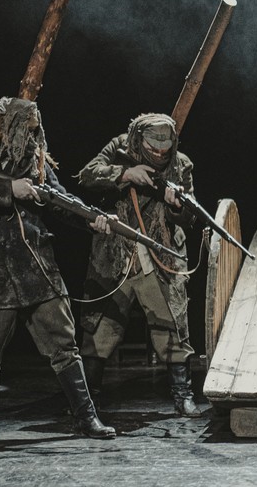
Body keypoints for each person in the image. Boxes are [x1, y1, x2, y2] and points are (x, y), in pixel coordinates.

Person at [0, 96, 116, 440]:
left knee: (64, 344)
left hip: (35, 268)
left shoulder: (35, 160)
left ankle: (86, 417)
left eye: (35, 131)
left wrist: (92, 219)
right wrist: (9, 188)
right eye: (26, 129)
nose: (33, 137)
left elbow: (60, 199)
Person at [75, 113, 202, 416]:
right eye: (152, 148)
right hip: (115, 252)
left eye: (164, 149)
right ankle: (88, 401)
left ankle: (183, 396)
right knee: (99, 328)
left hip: (159, 256)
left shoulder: (180, 164)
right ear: (139, 140)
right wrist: (125, 174)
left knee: (172, 325)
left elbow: (189, 217)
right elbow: (88, 175)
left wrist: (176, 204)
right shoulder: (118, 148)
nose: (159, 153)